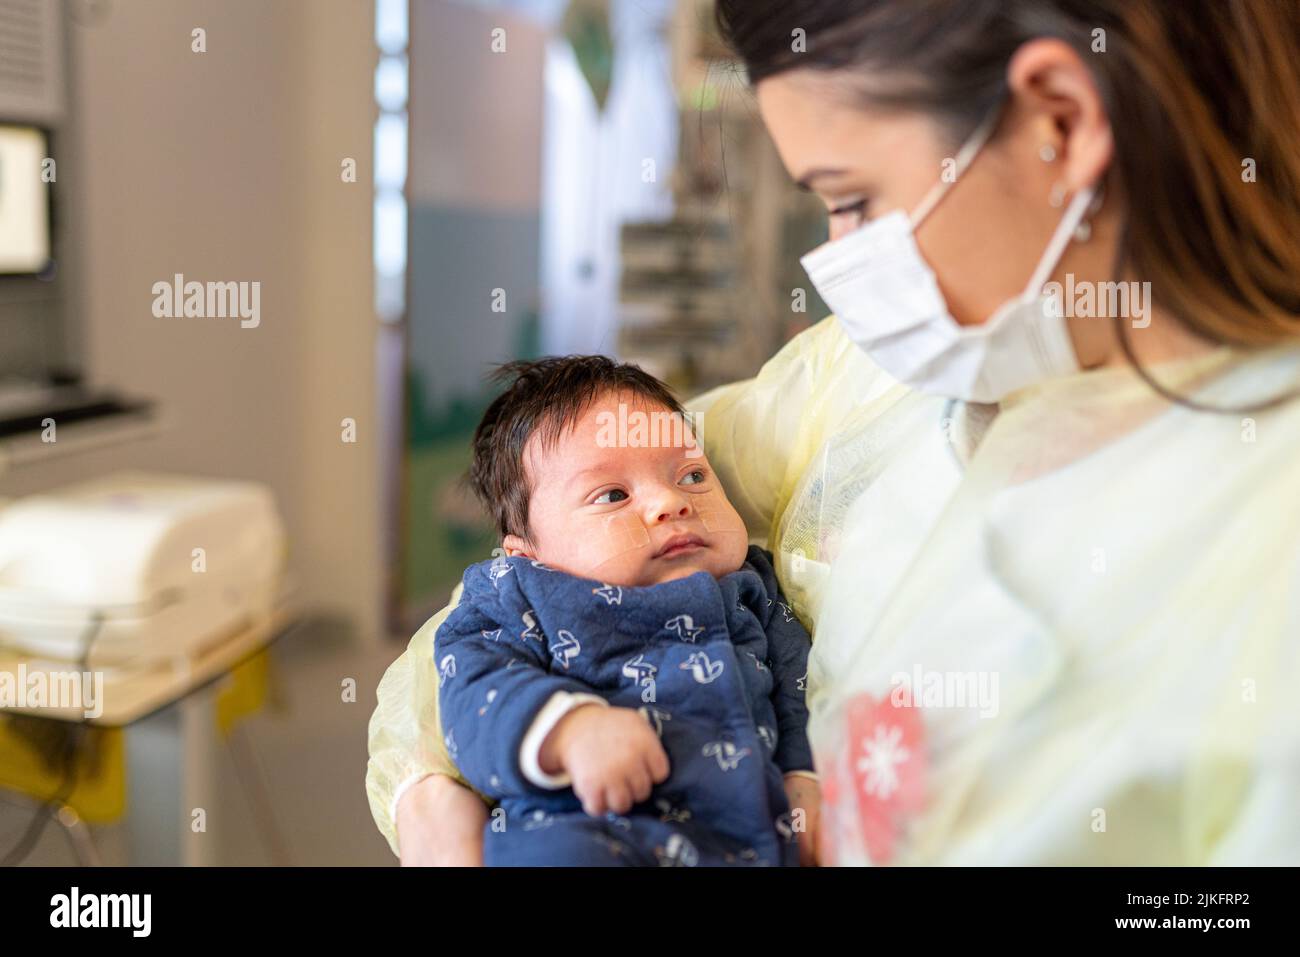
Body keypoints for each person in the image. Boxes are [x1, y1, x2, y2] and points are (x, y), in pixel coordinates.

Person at [368, 0, 1300, 865]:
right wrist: (429, 794)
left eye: (852, 196)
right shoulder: (863, 379)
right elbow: (522, 577)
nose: (841, 257)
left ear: (1059, 121)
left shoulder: (1262, 531)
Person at [435, 357, 817, 866]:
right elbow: (472, 689)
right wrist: (569, 731)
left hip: (752, 838)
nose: (670, 502)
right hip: (592, 830)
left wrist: (804, 775)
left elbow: (803, 688)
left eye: (692, 475)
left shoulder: (751, 584)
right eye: (612, 495)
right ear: (527, 553)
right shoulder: (517, 595)